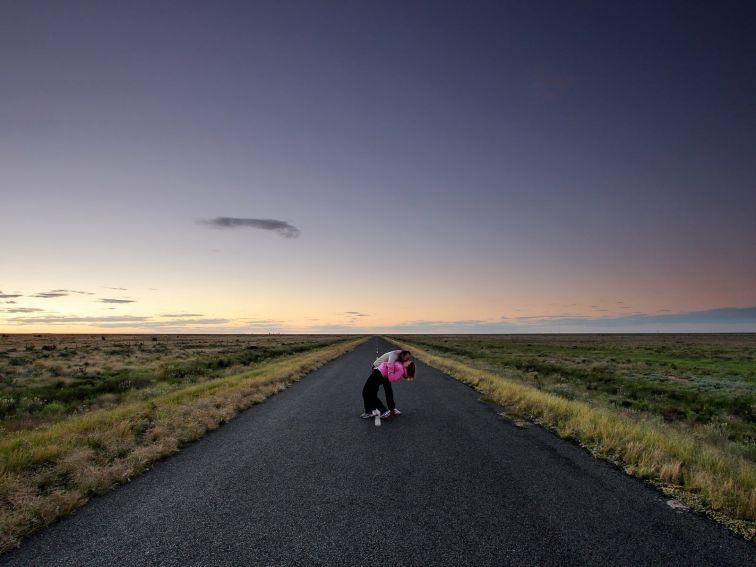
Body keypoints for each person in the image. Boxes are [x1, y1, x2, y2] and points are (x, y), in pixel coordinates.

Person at [371, 350, 412, 415]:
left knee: (388, 389)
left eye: (408, 358)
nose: (407, 359)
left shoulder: (400, 357)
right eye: (407, 358)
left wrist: (406, 376)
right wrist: (391, 378)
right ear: (402, 355)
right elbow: (390, 366)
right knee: (375, 390)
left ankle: (392, 409)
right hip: (377, 369)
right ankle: (376, 409)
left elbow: (402, 367)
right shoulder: (394, 355)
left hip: (384, 370)